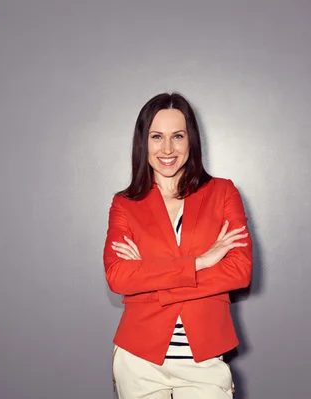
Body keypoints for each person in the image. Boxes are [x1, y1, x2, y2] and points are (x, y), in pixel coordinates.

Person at [103, 92, 253, 399]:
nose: (167, 149)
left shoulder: (223, 193)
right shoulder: (125, 204)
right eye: (157, 136)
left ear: (191, 141)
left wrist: (149, 278)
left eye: (178, 136)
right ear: (143, 142)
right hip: (138, 358)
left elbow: (239, 271)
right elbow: (119, 277)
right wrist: (200, 262)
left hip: (204, 359)